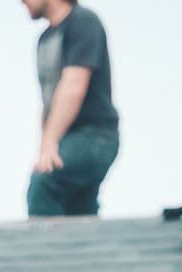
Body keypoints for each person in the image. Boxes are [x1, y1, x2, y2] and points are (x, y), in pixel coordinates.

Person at [22, 0, 120, 218]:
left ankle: (44, 251)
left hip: (94, 136)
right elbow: (49, 101)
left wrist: (50, 143)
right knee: (78, 210)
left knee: (43, 184)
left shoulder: (82, 22)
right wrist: (44, 148)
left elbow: (74, 85)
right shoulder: (45, 39)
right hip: (66, 139)